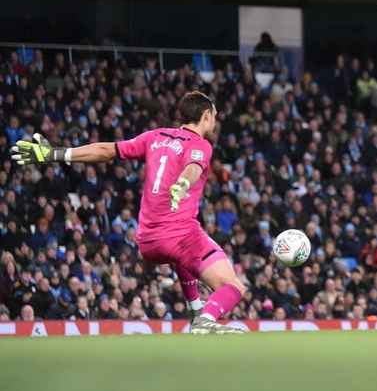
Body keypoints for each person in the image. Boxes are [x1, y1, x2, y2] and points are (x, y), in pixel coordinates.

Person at [12, 91, 246, 334]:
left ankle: (194, 308)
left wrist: (56, 154)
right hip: (178, 234)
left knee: (183, 252)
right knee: (234, 286)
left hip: (147, 241)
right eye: (215, 117)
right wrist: (183, 185)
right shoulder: (200, 144)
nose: (215, 122)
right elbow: (193, 167)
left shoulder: (156, 136)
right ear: (206, 115)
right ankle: (205, 321)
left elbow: (106, 151)